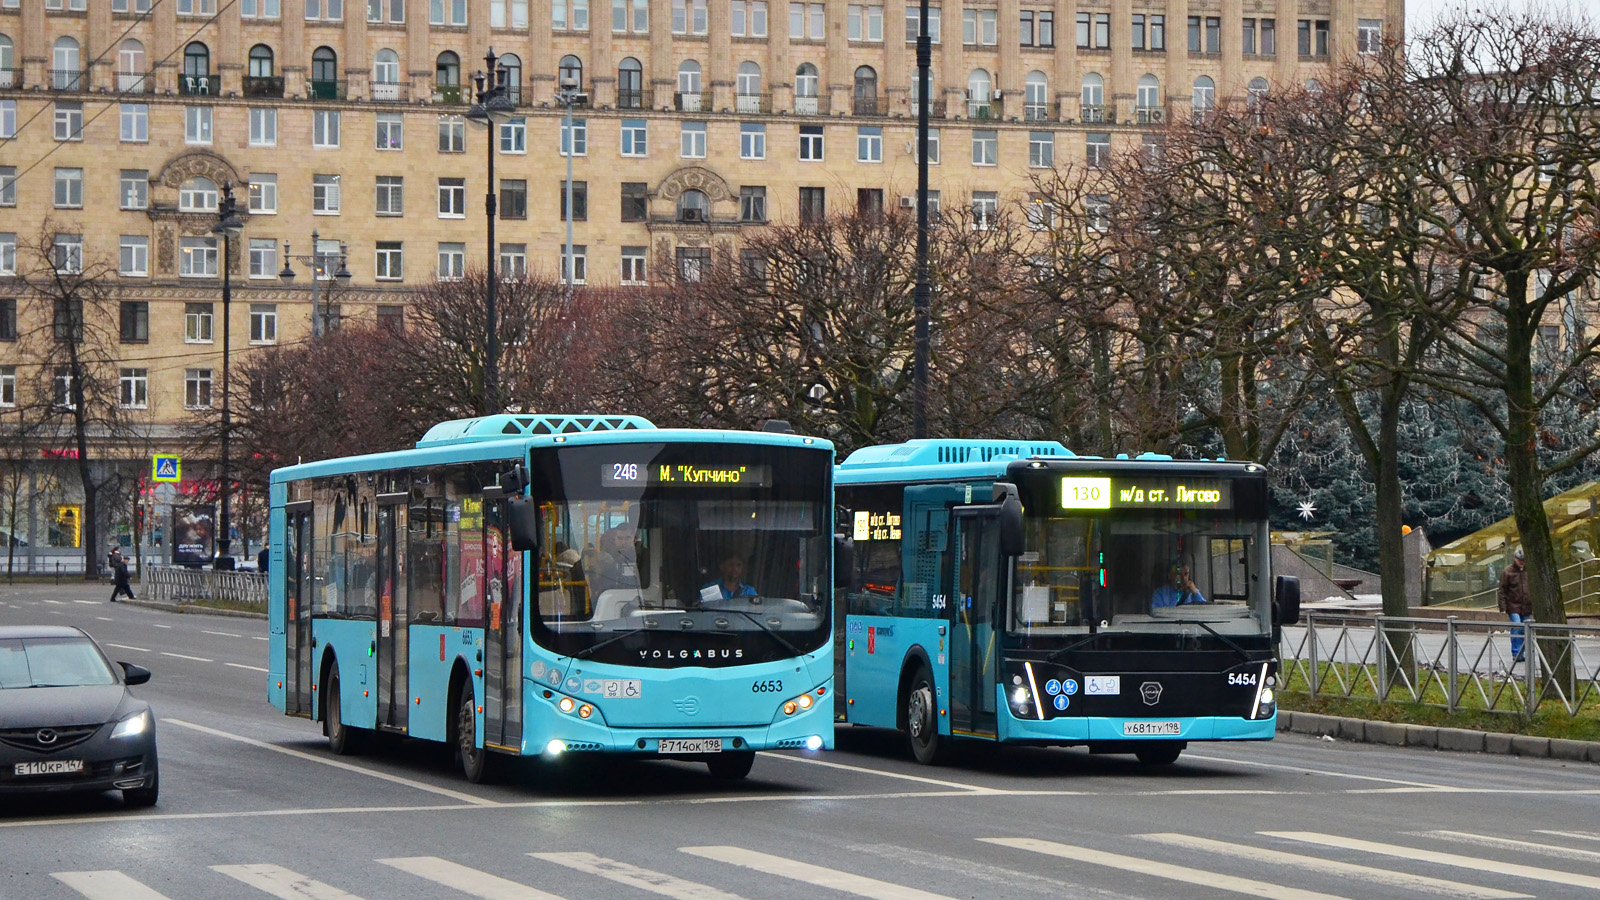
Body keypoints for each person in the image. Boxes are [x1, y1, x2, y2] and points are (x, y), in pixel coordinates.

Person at [1498, 548, 1532, 662]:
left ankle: (1522, 652)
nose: (1521, 562)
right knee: (1517, 627)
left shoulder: (1529, 571)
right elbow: (1502, 590)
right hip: (1513, 605)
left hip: (1527, 606)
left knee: (1525, 630)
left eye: (1523, 560)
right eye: (1519, 560)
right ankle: (1516, 653)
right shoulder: (1508, 571)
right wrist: (1502, 607)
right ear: (1515, 559)